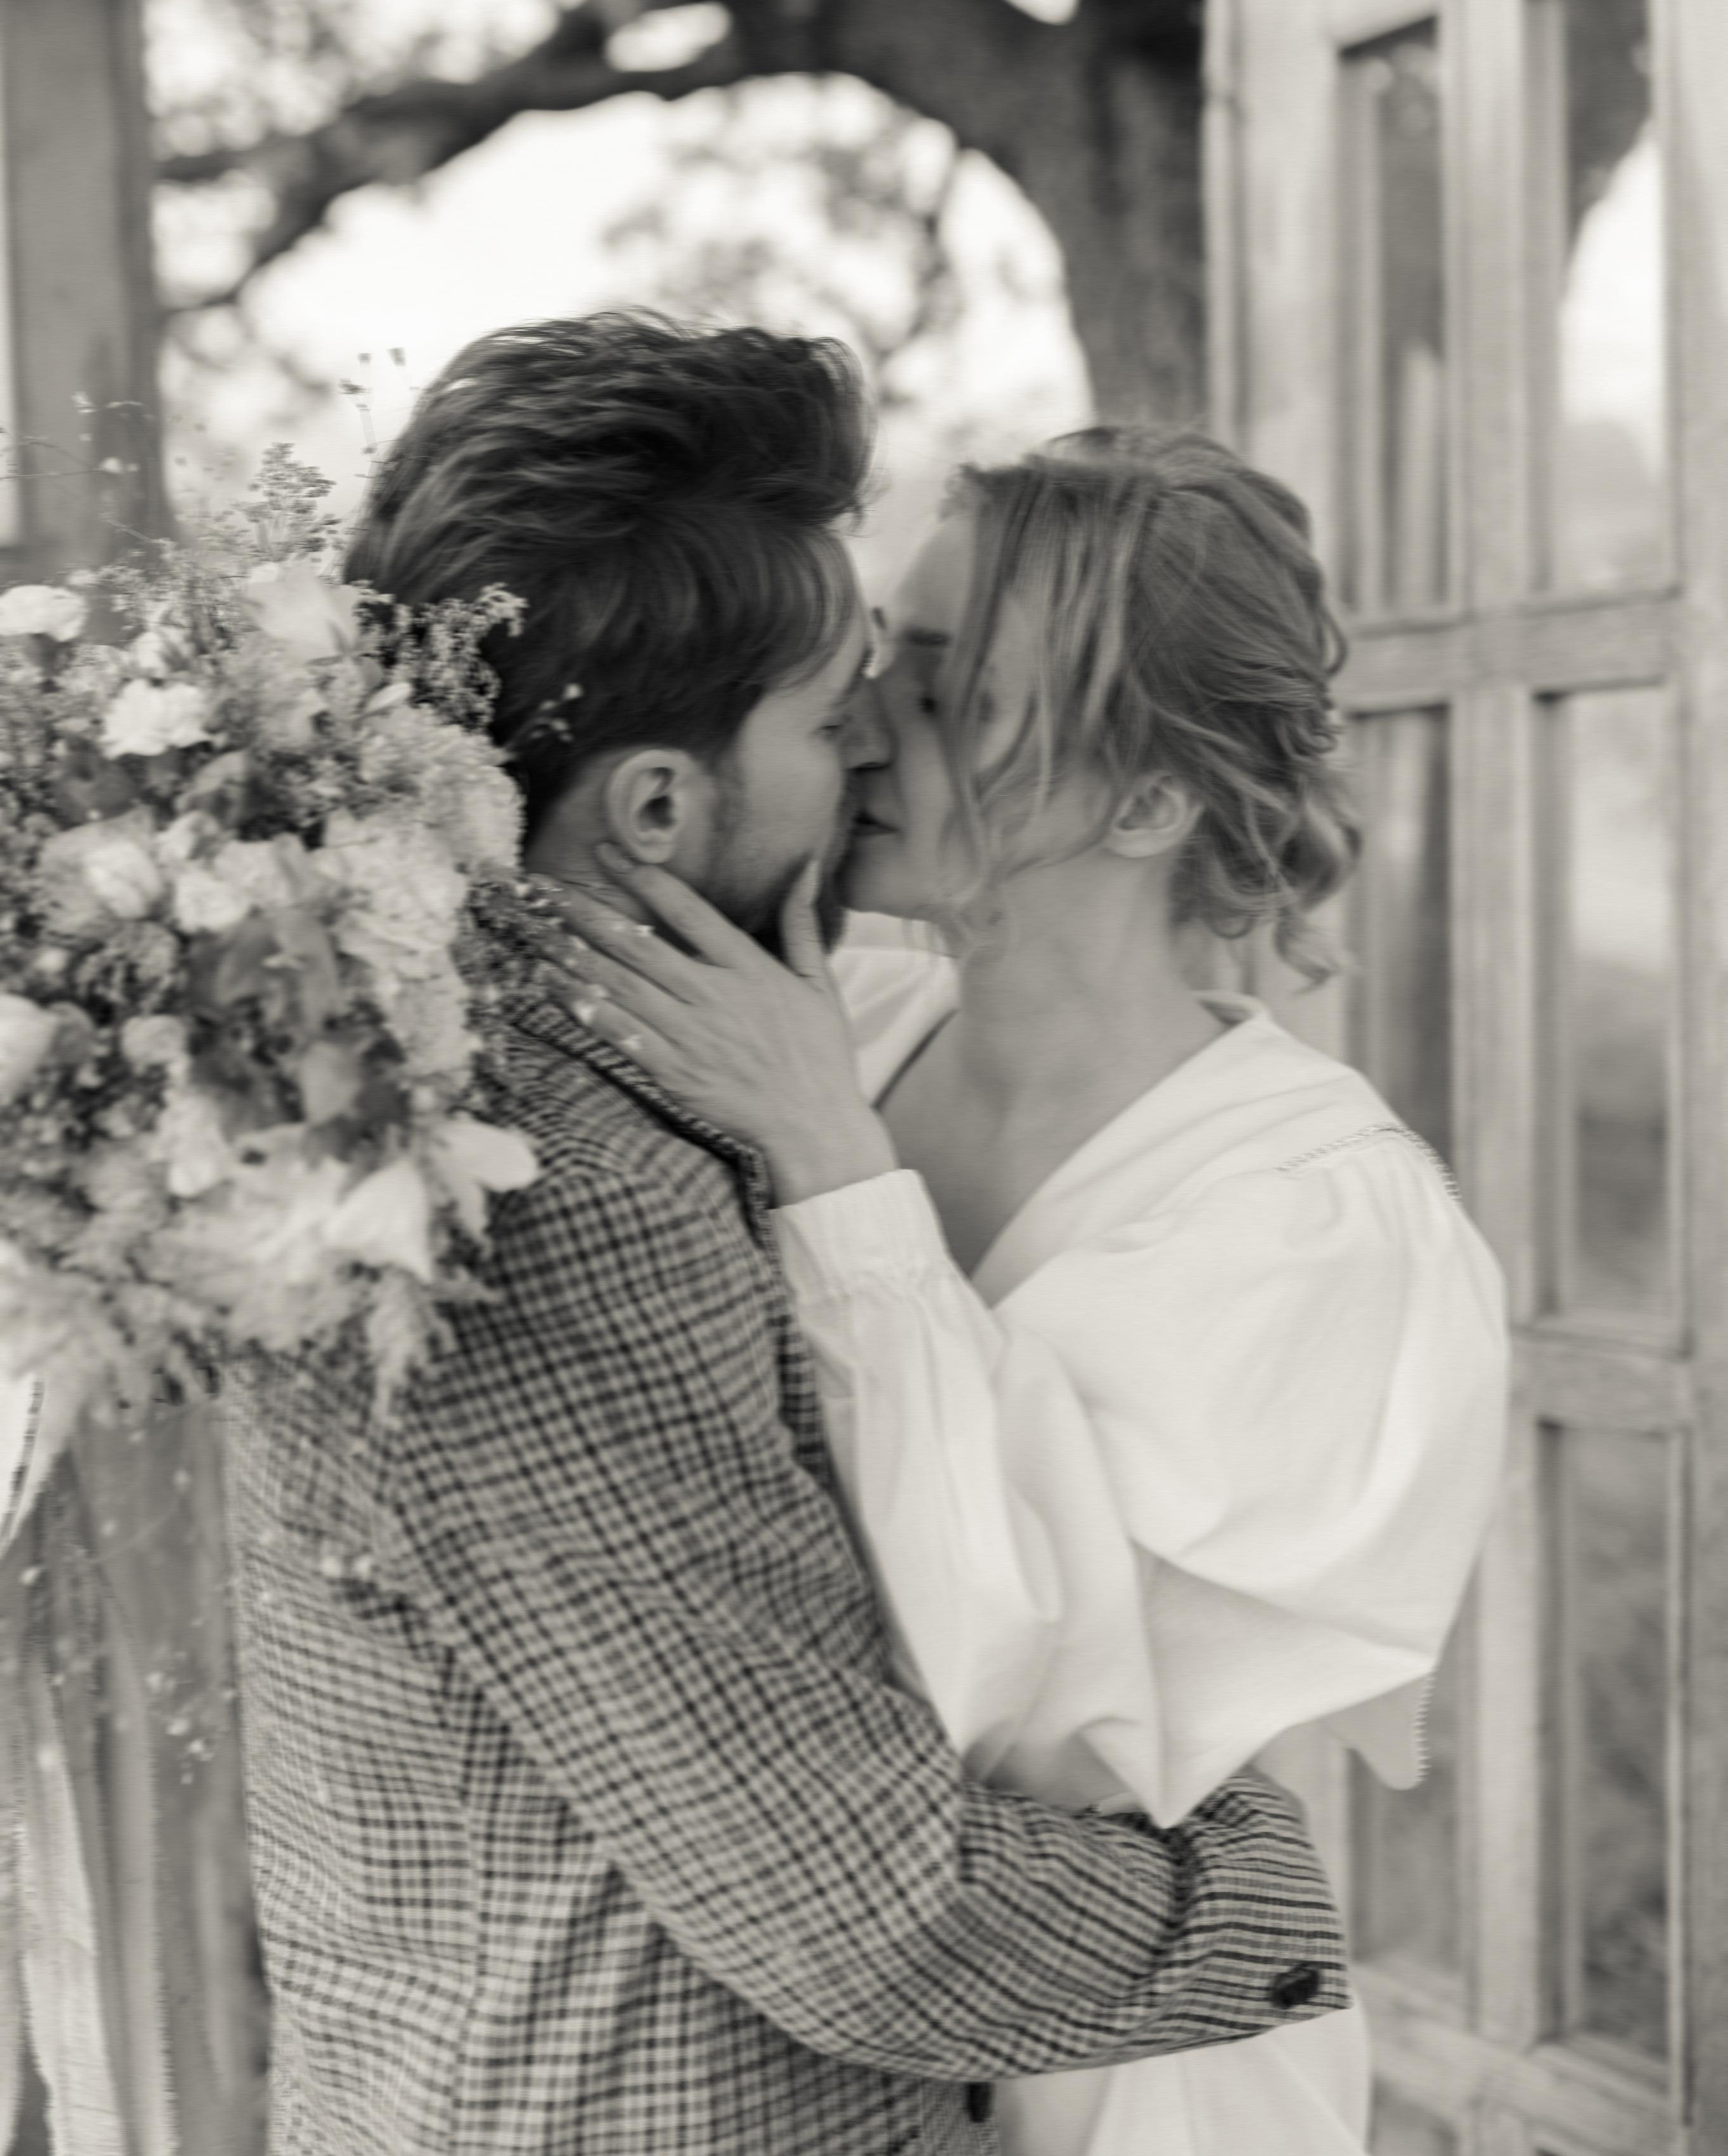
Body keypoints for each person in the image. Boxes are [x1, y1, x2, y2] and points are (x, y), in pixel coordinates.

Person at [222, 324, 1350, 2156]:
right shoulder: (549, 1196)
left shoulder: (406, 1059)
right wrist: (1268, 1918)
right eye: (840, 714)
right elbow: (867, 1912)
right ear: (661, 809)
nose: (881, 750)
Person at [550, 427, 1509, 2156]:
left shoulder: (1315, 1221)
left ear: (1149, 802)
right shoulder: (835, 1034)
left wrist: (841, 1182)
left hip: (1121, 2077)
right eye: (882, 662)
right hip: (802, 2055)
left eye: (958, 693)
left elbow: (1041, 1720)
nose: (866, 727)